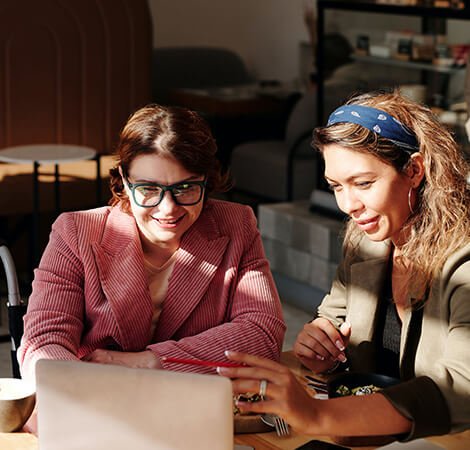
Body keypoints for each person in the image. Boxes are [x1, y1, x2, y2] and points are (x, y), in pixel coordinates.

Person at [219, 90, 470, 442]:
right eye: (336, 186)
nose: (348, 205)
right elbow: (333, 317)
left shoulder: (463, 258)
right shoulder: (368, 240)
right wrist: (322, 344)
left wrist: (318, 415)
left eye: (364, 183)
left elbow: (461, 387)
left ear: (414, 170)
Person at [18, 104, 286, 382]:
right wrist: (79, 384)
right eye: (148, 188)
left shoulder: (236, 224)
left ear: (206, 180)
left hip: (197, 399)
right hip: (98, 395)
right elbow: (43, 342)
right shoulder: (75, 232)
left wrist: (149, 362)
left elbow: (263, 334)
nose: (168, 208)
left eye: (186, 188)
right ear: (124, 179)